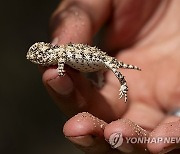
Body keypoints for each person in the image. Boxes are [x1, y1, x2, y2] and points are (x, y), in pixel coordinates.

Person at [40, 0, 180, 153]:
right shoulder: (60, 52)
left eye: (39, 56)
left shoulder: (60, 53)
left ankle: (123, 86)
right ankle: (103, 81)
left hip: (97, 58)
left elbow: (63, 60)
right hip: (93, 62)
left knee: (112, 67)